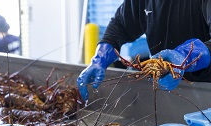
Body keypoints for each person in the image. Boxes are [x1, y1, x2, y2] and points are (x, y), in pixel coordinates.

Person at [77, 0, 211, 104]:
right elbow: (120, 26)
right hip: (166, 90)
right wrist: (100, 57)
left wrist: (186, 56)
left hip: (206, 94)